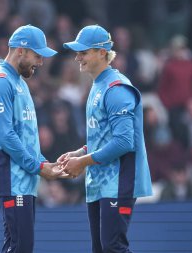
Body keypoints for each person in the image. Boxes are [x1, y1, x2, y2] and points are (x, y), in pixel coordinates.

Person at [59, 25, 153, 253]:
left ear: (102, 52)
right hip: (100, 183)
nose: (77, 57)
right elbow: (104, 136)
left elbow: (123, 142)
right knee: (102, 249)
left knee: (112, 247)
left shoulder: (116, 88)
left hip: (118, 182)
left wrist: (82, 162)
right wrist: (80, 152)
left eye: (83, 52)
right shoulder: (98, 85)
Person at [0, 24, 65, 253]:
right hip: (12, 179)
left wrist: (45, 163)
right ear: (20, 50)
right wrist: (37, 166)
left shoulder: (19, 83)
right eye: (37, 55)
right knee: (19, 247)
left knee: (19, 246)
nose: (41, 62)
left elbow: (25, 138)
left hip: (24, 180)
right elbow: (5, 137)